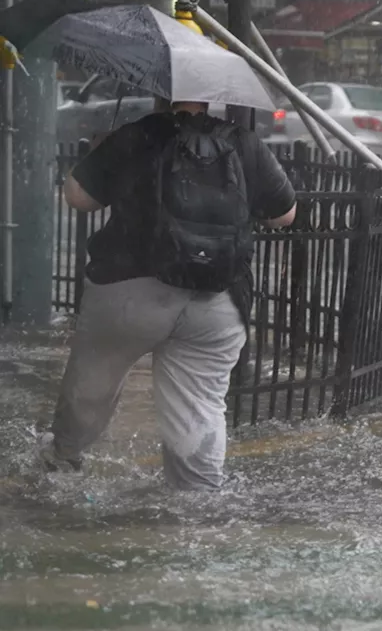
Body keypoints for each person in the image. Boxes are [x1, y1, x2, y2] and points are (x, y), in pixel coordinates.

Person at [40, 99, 298, 488]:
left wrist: (100, 152)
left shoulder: (137, 134)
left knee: (92, 385)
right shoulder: (244, 142)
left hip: (129, 291)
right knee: (199, 407)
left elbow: (78, 197)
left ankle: (63, 460)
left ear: (162, 93)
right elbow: (284, 214)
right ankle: (197, 503)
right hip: (218, 300)